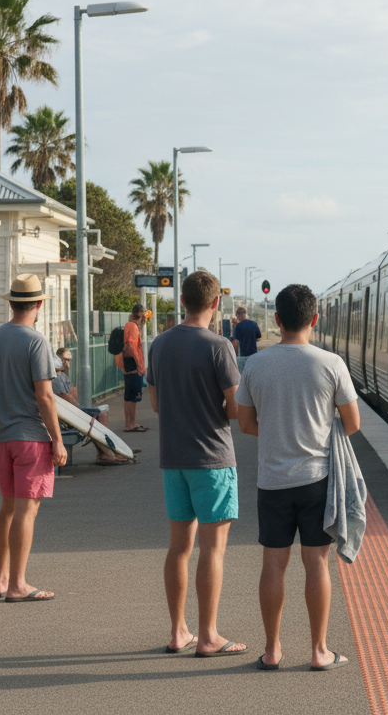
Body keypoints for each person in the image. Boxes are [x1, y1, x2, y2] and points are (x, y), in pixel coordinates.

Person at [236, 284, 359, 672]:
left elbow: (246, 424)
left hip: (272, 481)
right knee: (316, 564)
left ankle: (272, 651)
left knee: (273, 566)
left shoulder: (255, 365)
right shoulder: (330, 363)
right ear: (315, 319)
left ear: (276, 320)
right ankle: (320, 651)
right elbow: (352, 423)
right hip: (317, 480)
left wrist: (277, 429)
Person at [146, 272, 246, 657]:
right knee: (213, 550)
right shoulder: (219, 346)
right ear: (214, 303)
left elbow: (155, 404)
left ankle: (178, 631)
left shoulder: (160, 344)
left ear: (182, 301)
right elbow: (235, 409)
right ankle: (209, 636)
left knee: (179, 548)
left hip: (173, 459)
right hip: (213, 460)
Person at [0, 274, 68, 603]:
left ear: (12, 302)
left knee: (7, 509)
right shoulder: (36, 341)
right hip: (30, 436)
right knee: (26, 511)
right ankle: (18, 583)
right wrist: (57, 440)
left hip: (1, 435)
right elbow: (45, 396)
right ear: (39, 304)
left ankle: (2, 578)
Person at [55, 346, 130, 465]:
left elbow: (72, 396)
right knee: (99, 416)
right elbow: (68, 398)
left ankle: (106, 453)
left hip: (68, 413)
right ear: (58, 359)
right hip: (66, 417)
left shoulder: (62, 376)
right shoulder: (57, 377)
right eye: (64, 359)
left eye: (69, 360)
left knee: (99, 414)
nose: (67, 363)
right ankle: (107, 453)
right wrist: (77, 404)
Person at [116, 304, 148, 432]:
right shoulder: (134, 327)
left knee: (129, 396)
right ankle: (130, 424)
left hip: (127, 362)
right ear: (141, 314)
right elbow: (132, 345)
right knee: (133, 396)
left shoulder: (129, 324)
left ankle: (129, 423)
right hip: (133, 363)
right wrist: (140, 365)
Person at [232, 306, 262, 373]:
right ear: (245, 314)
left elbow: (235, 342)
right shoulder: (254, 324)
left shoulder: (238, 327)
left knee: (242, 378)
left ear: (237, 315)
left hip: (242, 357)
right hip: (254, 356)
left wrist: (235, 356)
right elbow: (259, 336)